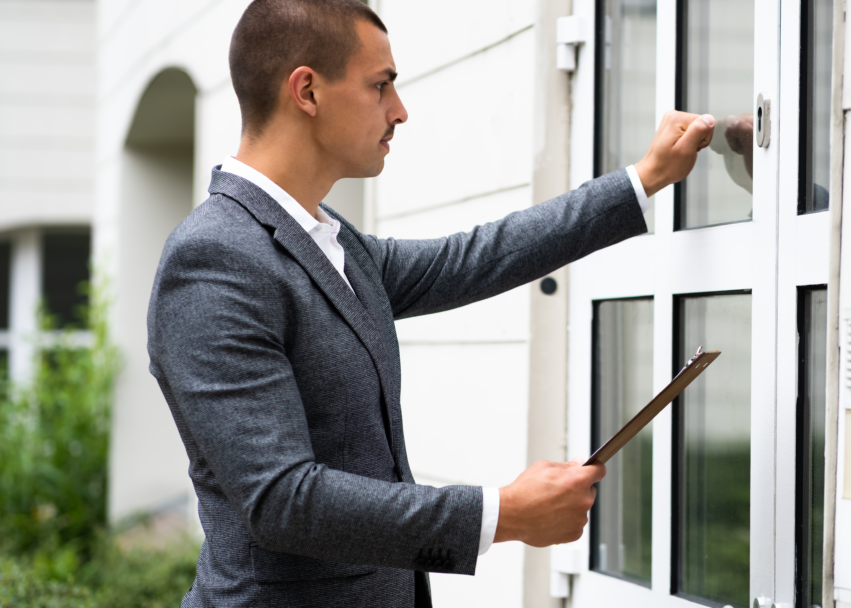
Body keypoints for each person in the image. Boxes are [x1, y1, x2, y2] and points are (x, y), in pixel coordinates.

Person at [146, 0, 715, 606]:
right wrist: (503, 514)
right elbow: (284, 501)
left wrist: (642, 179)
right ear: (307, 91)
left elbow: (471, 258)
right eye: (381, 85)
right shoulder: (213, 260)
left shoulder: (330, 242)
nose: (400, 111)